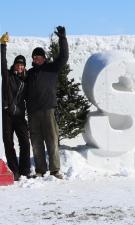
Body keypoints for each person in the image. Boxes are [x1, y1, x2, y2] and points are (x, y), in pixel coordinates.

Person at [26, 26, 69, 179]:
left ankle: (55, 170)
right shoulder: (29, 73)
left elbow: (63, 57)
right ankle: (40, 169)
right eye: (34, 57)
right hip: (33, 113)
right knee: (36, 143)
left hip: (48, 110)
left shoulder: (51, 68)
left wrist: (62, 39)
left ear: (44, 58)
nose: (36, 59)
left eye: (38, 57)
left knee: (52, 141)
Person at [0, 32, 31, 181]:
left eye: (22, 65)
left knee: (25, 142)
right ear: (14, 65)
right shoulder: (7, 75)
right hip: (7, 113)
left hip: (19, 115)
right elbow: (3, 62)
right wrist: (3, 46)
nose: (19, 67)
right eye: (18, 64)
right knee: (8, 142)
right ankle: (14, 170)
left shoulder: (26, 80)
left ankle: (25, 170)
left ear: (25, 67)